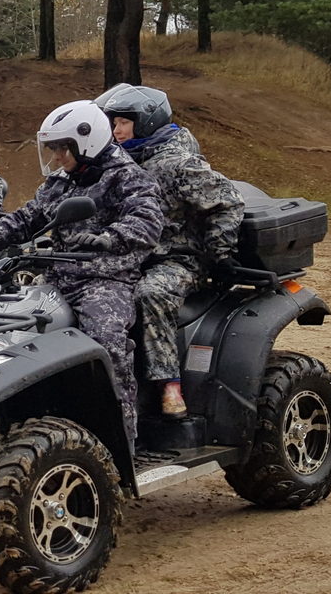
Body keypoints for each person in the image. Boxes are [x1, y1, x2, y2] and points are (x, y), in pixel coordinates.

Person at [0, 101, 165, 447]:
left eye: (62, 148)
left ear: (88, 141)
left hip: (104, 280)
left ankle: (122, 438)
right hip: (58, 278)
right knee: (8, 331)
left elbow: (146, 222)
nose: (57, 156)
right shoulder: (61, 181)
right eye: (52, 148)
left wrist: (107, 238)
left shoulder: (128, 177)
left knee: (106, 341)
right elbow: (26, 218)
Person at [97, 84, 244, 417]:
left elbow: (228, 202)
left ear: (147, 123)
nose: (116, 131)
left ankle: (169, 385)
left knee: (151, 293)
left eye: (123, 123)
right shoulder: (116, 162)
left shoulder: (177, 163)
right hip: (132, 252)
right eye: (113, 124)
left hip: (178, 257)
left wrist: (221, 254)